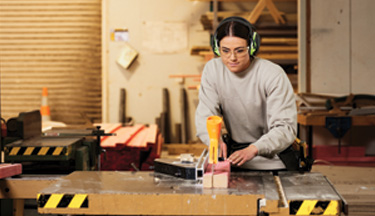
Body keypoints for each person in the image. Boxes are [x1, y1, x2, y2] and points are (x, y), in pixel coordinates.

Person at [195, 16, 297, 171]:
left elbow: (285, 128)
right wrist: (214, 139)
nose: (232, 58)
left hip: (274, 162)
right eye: (225, 51)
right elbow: (205, 115)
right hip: (235, 160)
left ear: (252, 46)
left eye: (240, 50)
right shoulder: (213, 70)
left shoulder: (272, 74)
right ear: (216, 48)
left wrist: (254, 149)